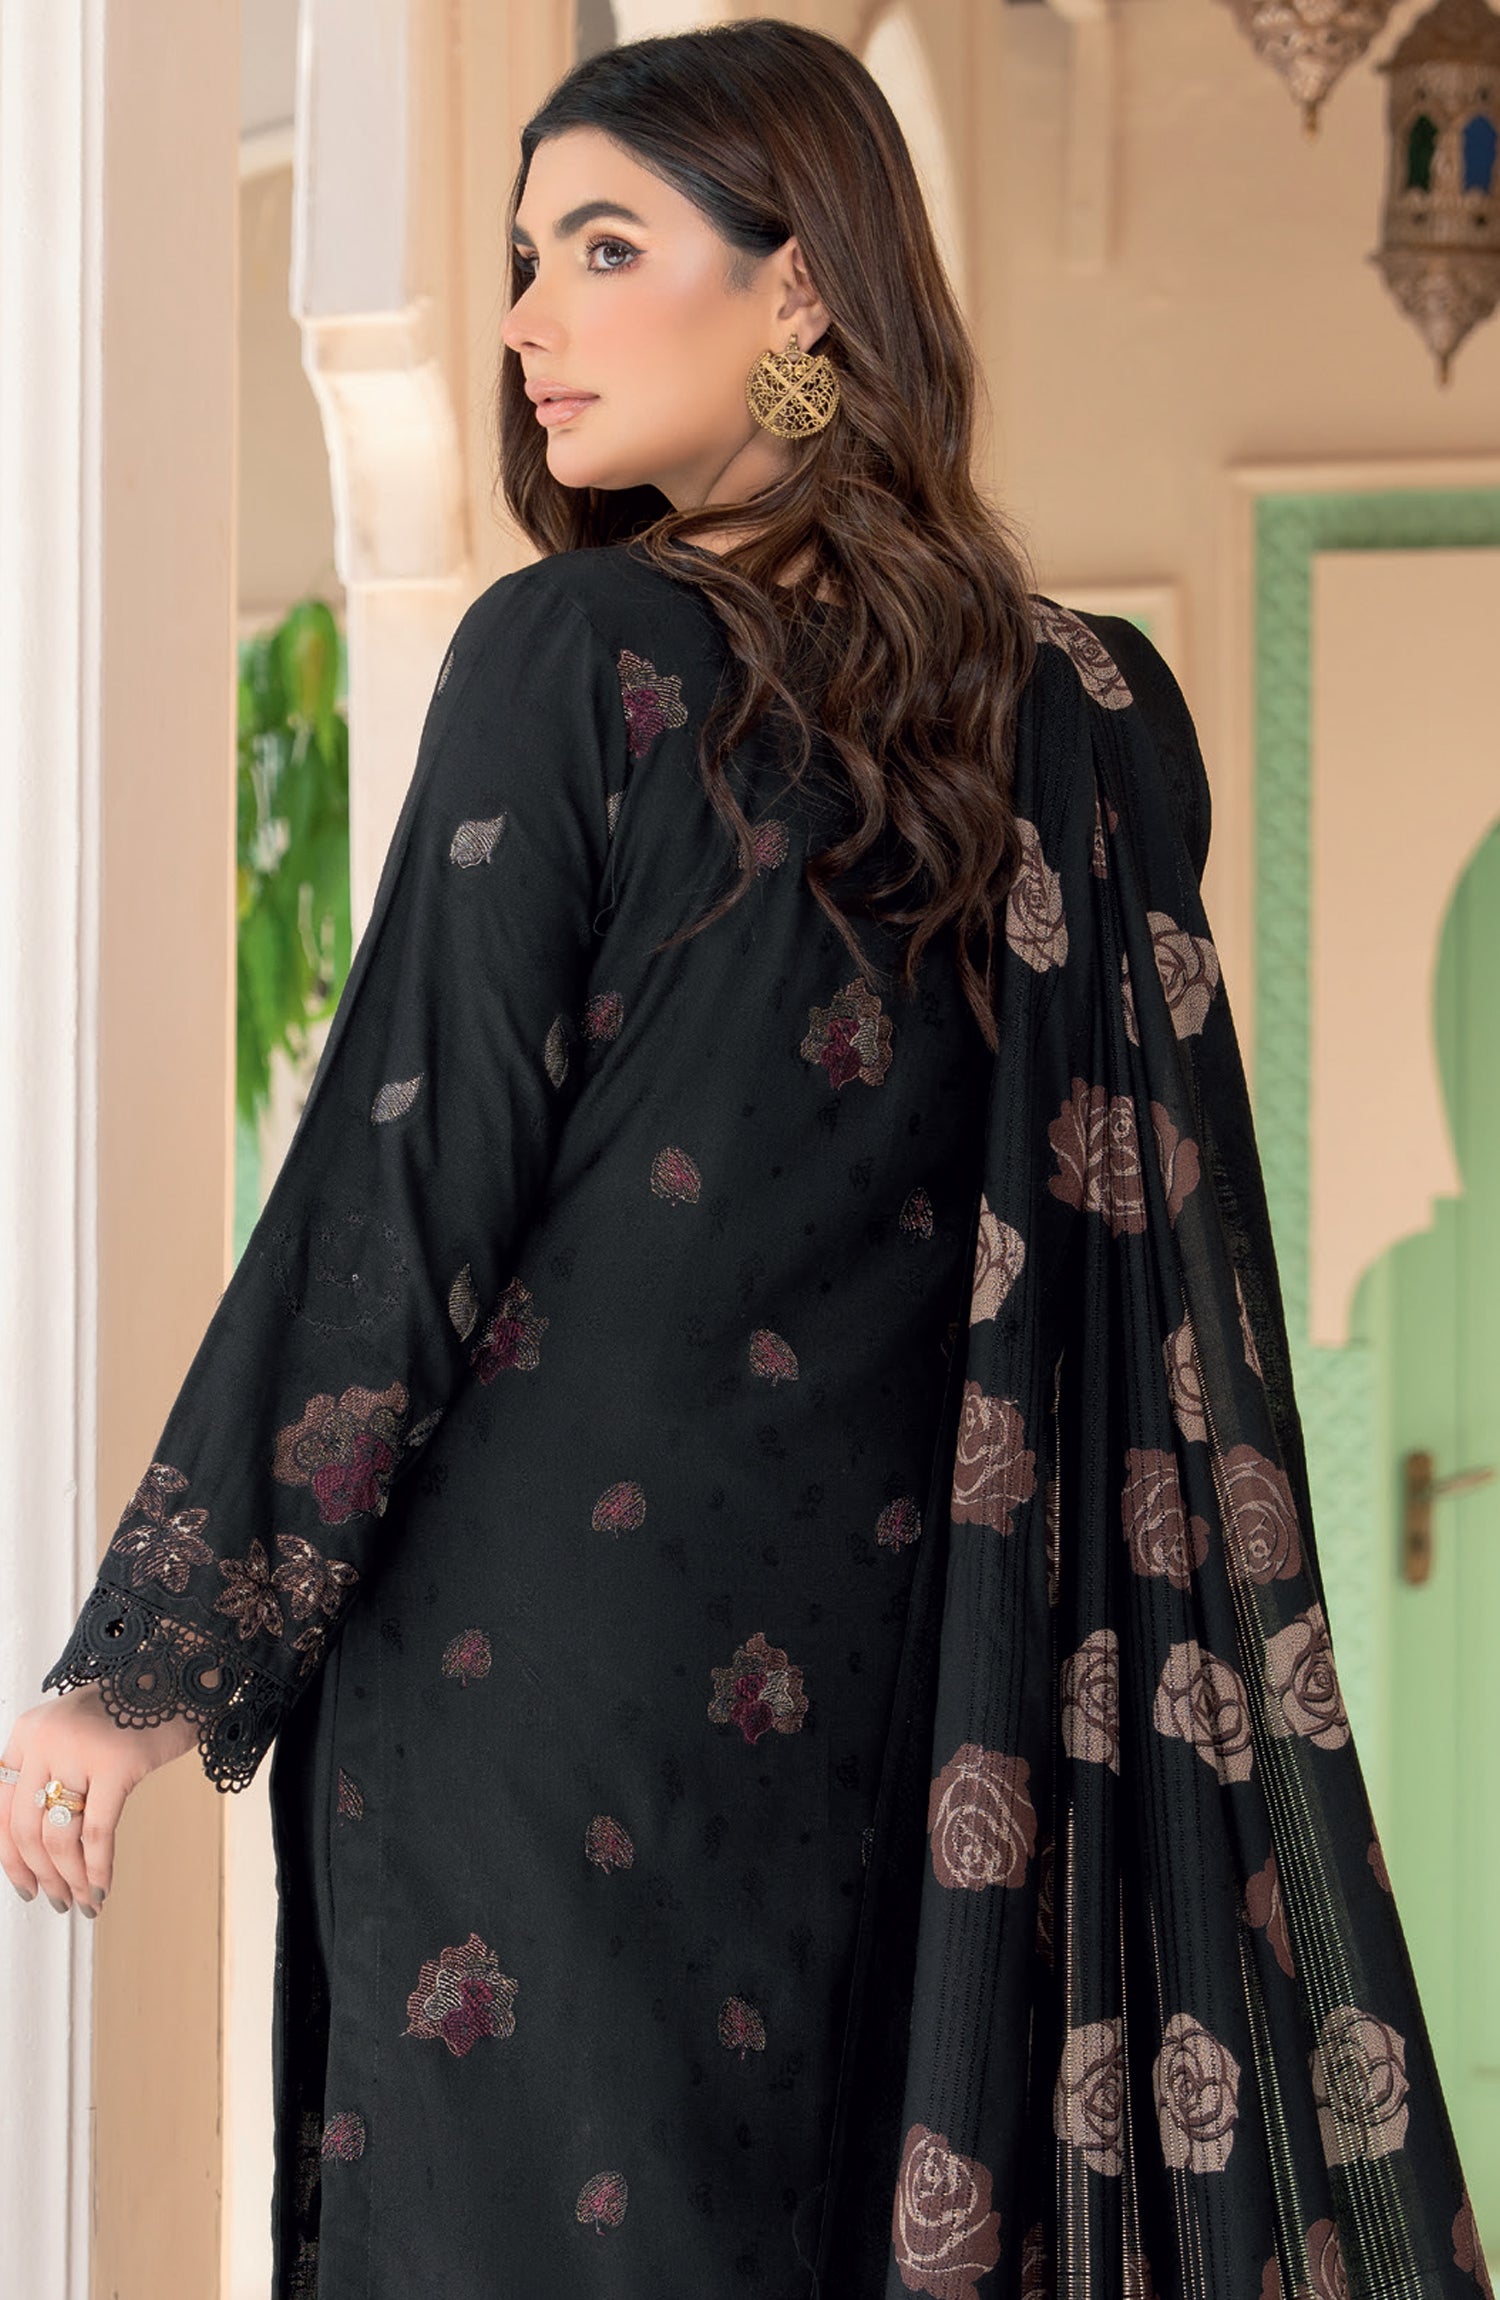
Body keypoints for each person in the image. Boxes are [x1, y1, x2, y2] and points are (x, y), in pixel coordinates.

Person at [2, 20, 1490, 2300]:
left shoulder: (576, 653)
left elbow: (406, 1175)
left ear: (802, 282)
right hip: (936, 1687)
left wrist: (140, 1670)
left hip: (545, 1682)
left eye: (605, 248)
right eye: (523, 258)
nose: (529, 317)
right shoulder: (1090, 715)